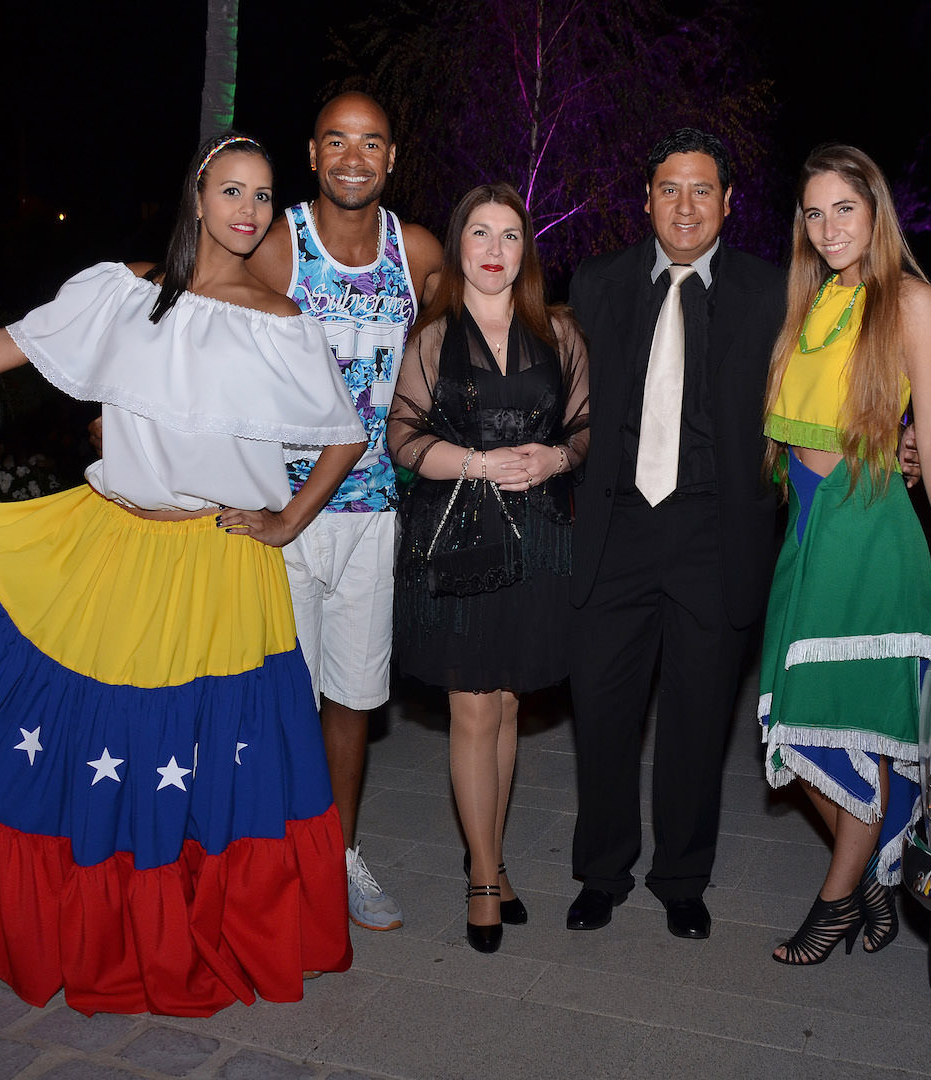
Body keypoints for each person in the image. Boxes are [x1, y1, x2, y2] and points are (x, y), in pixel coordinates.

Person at [0, 134, 366, 1014]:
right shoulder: (125, 290)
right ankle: (108, 935)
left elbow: (345, 435)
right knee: (120, 747)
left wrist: (287, 521)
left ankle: (206, 926)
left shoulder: (281, 321)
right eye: (231, 191)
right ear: (198, 197)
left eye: (262, 195)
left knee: (204, 754)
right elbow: (21, 341)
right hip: (115, 546)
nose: (248, 210)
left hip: (221, 565)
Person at [758, 143, 931, 965]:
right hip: (807, 529)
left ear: (875, 211)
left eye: (844, 208)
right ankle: (875, 865)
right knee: (793, 727)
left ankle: (835, 899)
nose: (828, 226)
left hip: (868, 530)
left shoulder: (909, 300)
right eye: (813, 212)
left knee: (850, 724)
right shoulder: (810, 300)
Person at [565, 128, 783, 941]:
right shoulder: (597, 283)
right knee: (602, 713)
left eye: (700, 190)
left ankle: (682, 879)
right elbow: (561, 392)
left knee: (697, 721)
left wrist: (894, 439)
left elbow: (819, 394)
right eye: (668, 189)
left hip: (714, 534)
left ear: (727, 202)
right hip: (613, 530)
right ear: (646, 199)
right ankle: (600, 873)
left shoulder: (772, 293)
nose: (683, 206)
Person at [246, 91, 444, 932]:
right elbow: (202, 331)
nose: (353, 158)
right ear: (312, 153)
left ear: (391, 158)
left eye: (370, 143)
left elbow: (448, 340)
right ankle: (270, 869)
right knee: (277, 704)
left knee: (352, 700)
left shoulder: (417, 251)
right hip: (277, 513)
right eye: (337, 141)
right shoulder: (274, 244)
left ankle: (338, 857)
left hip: (372, 515)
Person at [387, 184, 589, 953]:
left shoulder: (558, 332)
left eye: (509, 235)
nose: (494, 249)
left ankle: (493, 857)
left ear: (524, 249)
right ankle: (479, 876)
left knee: (504, 704)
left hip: (537, 536)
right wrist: (475, 462)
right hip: (459, 538)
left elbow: (586, 426)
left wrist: (555, 458)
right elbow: (403, 438)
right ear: (459, 244)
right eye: (479, 233)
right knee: (472, 707)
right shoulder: (432, 337)